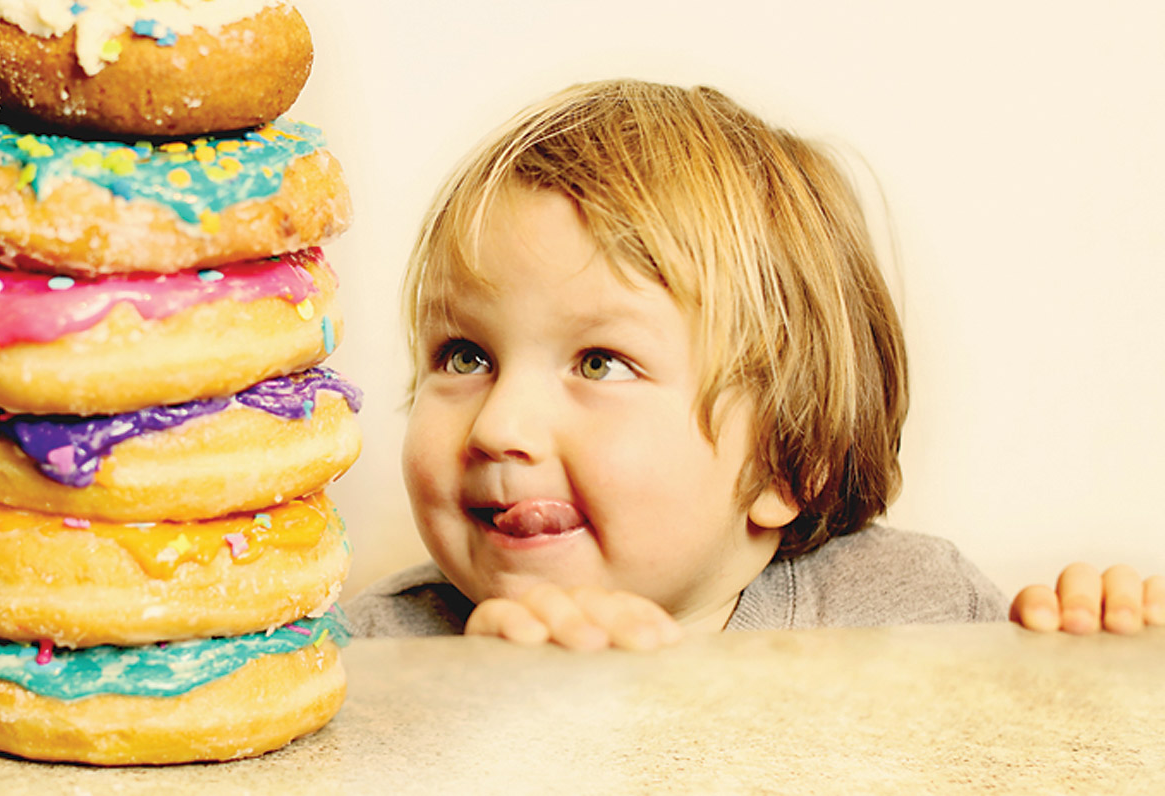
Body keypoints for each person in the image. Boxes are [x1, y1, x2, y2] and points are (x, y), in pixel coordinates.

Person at [344, 79, 1162, 649]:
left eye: (599, 363)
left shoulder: (912, 614)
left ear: (786, 461)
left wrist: (1089, 679)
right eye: (465, 355)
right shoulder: (373, 659)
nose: (499, 426)